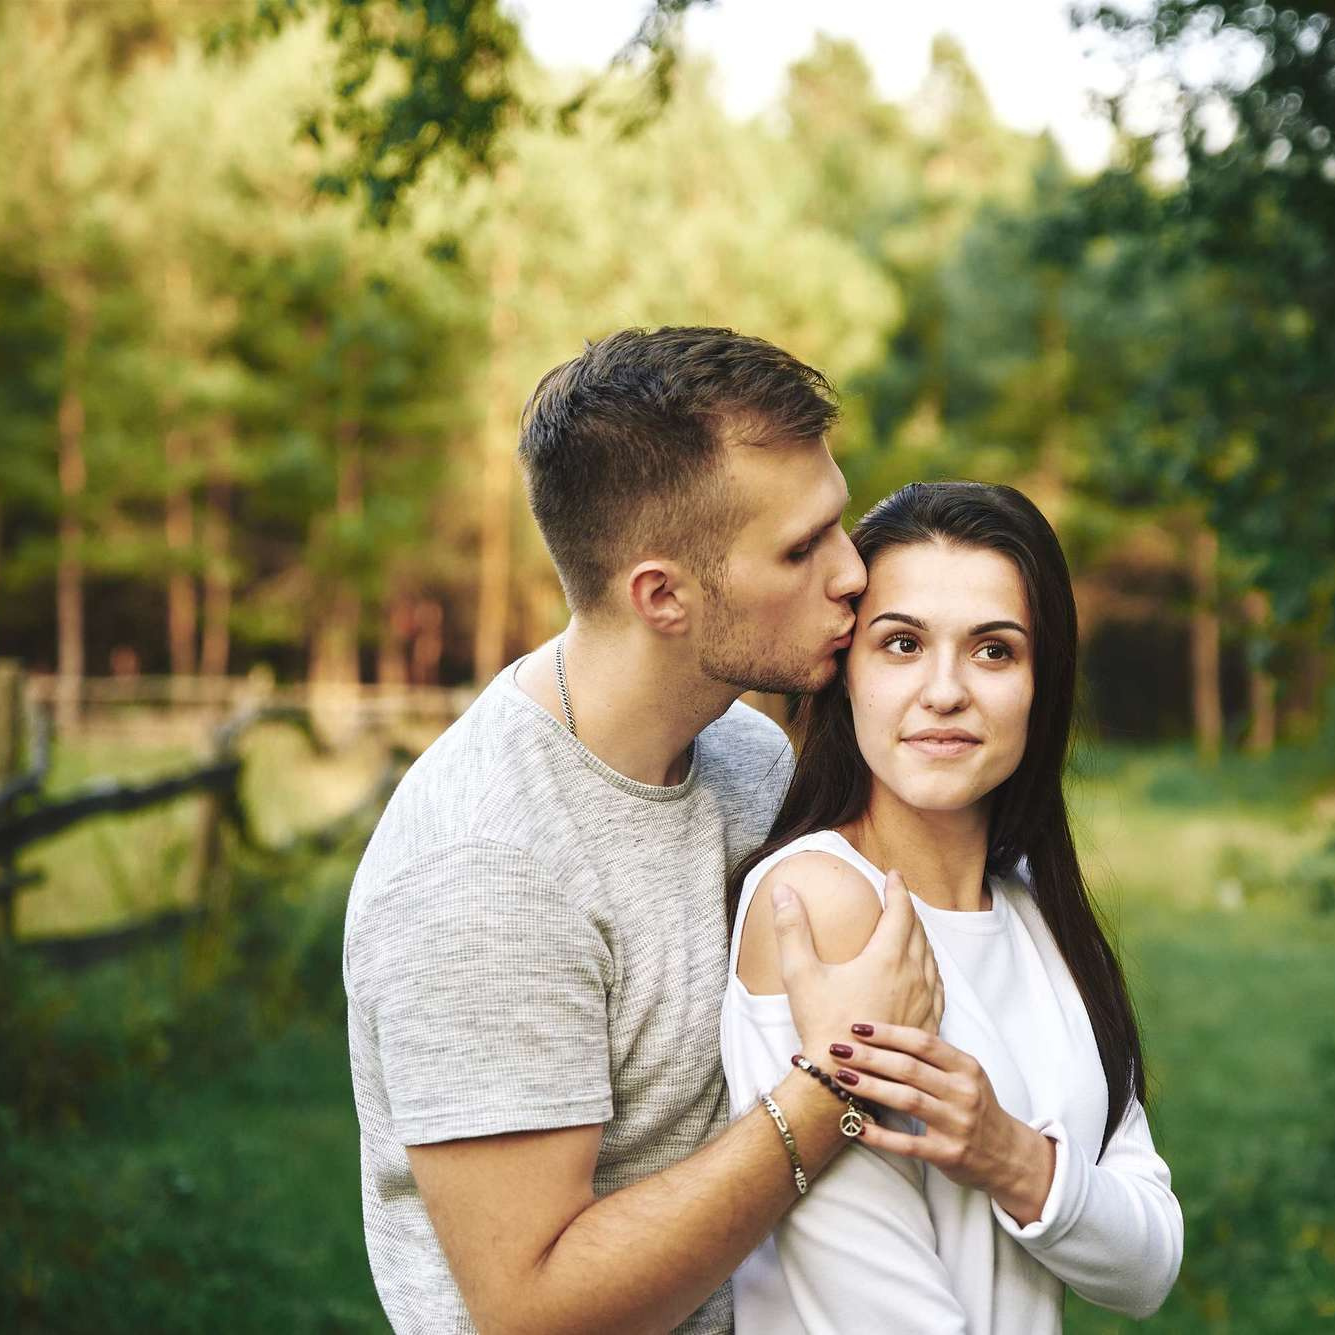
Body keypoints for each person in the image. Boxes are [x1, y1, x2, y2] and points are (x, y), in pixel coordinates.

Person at [342, 327, 953, 1333]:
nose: (853, 574)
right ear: (661, 595)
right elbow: (533, 1310)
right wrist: (836, 1081)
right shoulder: (484, 872)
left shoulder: (749, 758)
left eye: (836, 525)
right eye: (800, 550)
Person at [721, 482, 1185, 1332]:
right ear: (845, 672)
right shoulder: (825, 902)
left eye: (994, 651)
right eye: (901, 644)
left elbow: (1149, 1261)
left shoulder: (1038, 913)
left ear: (1042, 684)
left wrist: (1008, 1154)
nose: (945, 690)